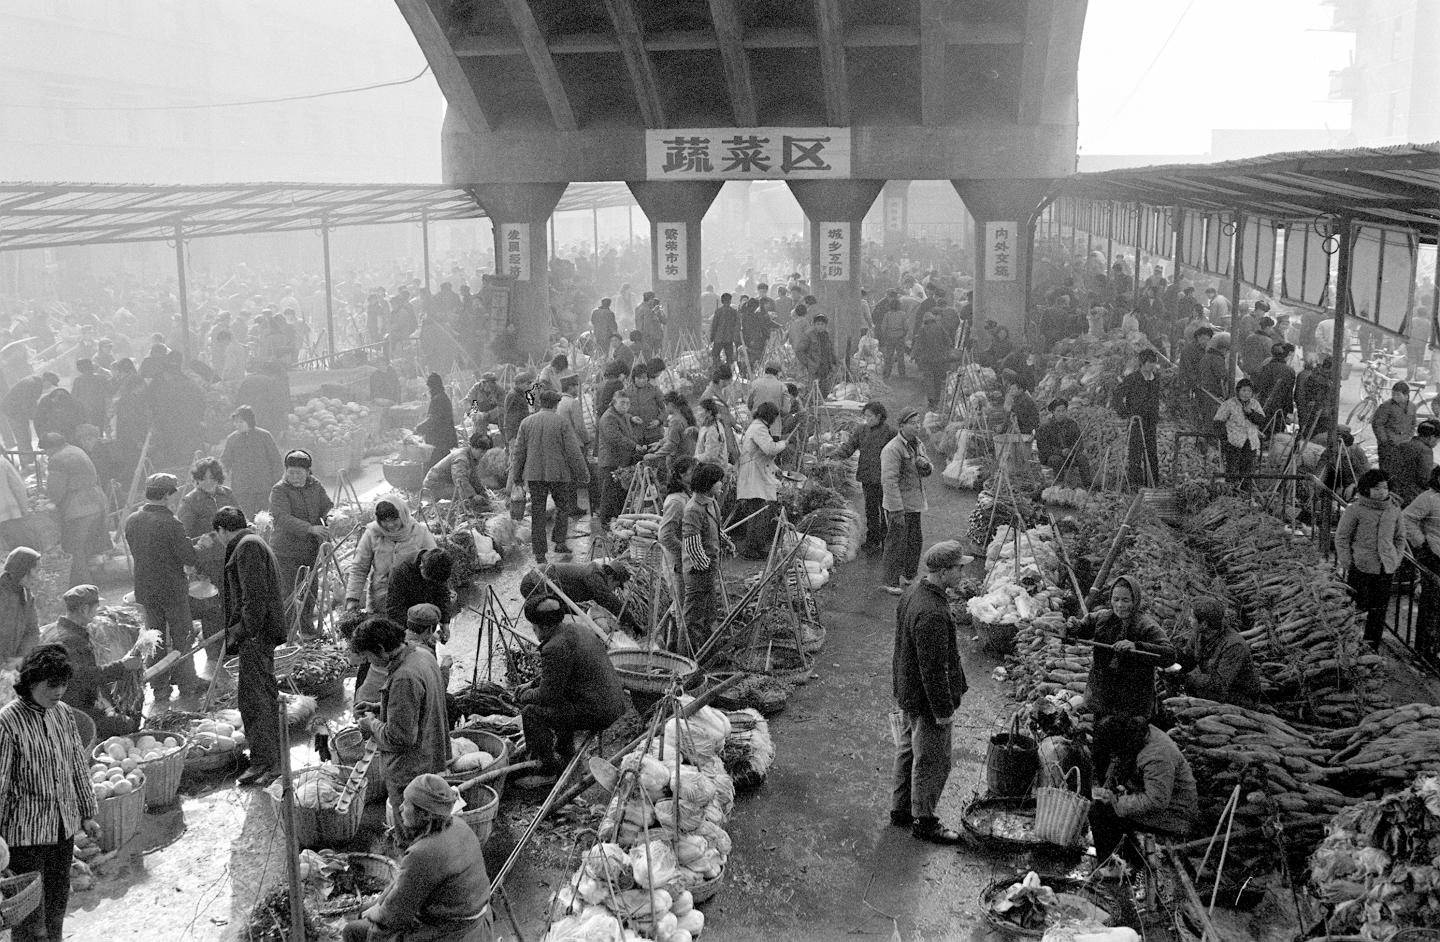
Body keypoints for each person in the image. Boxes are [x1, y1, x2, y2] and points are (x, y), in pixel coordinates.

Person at [0, 644, 102, 942]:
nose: (59, 691)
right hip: (25, 838)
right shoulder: (7, 723)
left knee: (57, 910)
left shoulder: (64, 713)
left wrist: (87, 813)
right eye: (52, 685)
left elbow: (77, 766)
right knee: (31, 921)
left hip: (63, 830)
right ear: (31, 682)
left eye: (63, 684)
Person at [340, 773, 492, 942]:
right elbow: (402, 885)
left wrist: (375, 912)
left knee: (352, 930)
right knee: (368, 909)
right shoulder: (459, 825)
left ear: (425, 814)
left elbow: (396, 914)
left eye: (407, 804)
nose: (400, 808)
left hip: (454, 933)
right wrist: (376, 906)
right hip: (474, 918)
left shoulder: (424, 852)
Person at [890, 540, 971, 844]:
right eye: (959, 567)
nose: (963, 572)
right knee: (933, 758)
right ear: (944, 571)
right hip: (926, 699)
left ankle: (900, 810)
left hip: (908, 691)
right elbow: (933, 670)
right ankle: (924, 820)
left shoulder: (914, 590)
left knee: (908, 750)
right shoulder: (933, 612)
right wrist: (944, 711)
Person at [1066, 576, 1175, 780]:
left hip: (1132, 705)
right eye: (1116, 599)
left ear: (1135, 601)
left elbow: (1169, 655)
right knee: (1100, 749)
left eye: (1126, 600)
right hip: (1104, 699)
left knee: (1126, 756)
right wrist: (1073, 626)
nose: (1120, 605)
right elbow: (1081, 628)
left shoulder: (1146, 626)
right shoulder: (1102, 619)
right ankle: (1101, 791)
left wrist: (1137, 646)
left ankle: (1120, 792)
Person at [514, 594, 628, 789]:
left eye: (533, 624)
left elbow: (547, 695)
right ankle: (564, 750)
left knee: (531, 713)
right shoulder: (576, 629)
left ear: (544, 626)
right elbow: (559, 675)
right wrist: (532, 684)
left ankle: (547, 771)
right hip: (613, 702)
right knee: (561, 699)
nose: (532, 629)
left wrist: (523, 695)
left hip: (599, 712)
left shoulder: (554, 647)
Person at [214, 506, 287, 786]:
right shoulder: (250, 543)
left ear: (222, 530)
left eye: (218, 534)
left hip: (256, 637)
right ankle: (271, 760)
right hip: (257, 635)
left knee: (255, 700)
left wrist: (241, 631)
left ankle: (264, 762)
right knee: (261, 697)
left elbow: (253, 599)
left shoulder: (247, 548)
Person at [351, 617, 449, 821]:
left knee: (410, 827)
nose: (370, 662)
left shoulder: (403, 677)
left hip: (410, 769)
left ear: (380, 648)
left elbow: (399, 737)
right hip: (431, 754)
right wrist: (380, 707)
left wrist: (370, 723)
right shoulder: (422, 653)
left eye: (369, 656)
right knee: (430, 824)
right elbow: (418, 705)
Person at [125, 473, 202, 701]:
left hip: (146, 589)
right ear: (167, 495)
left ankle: (159, 686)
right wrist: (199, 547)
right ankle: (187, 684)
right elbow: (188, 557)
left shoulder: (132, 520)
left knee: (154, 639)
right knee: (182, 637)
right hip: (172, 589)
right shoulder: (171, 523)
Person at [1088, 714, 1198, 872]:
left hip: (1176, 815)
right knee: (1104, 807)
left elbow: (1156, 801)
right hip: (1166, 806)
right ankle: (1131, 858)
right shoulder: (1140, 735)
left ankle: (1118, 866)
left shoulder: (1158, 755)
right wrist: (1111, 784)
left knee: (1100, 812)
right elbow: (1121, 761)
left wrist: (1117, 802)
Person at [39, 584, 145, 738]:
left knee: (118, 710)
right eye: (95, 609)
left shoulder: (55, 631)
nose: (95, 614)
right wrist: (122, 666)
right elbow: (84, 677)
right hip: (72, 713)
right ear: (84, 610)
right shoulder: (70, 641)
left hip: (63, 705)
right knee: (129, 724)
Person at [511, 388, 589, 564]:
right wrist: (583, 473)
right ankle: (560, 542)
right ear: (556, 404)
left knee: (537, 512)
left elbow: (519, 452)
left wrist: (516, 476)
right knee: (563, 507)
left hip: (534, 474)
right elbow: (573, 451)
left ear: (540, 403)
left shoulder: (526, 422)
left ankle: (540, 554)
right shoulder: (561, 422)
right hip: (558, 474)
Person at [1336, 468, 1407, 649]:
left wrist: (1396, 558)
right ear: (1366, 489)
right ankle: (1349, 644)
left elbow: (1400, 538)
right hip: (1361, 566)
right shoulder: (1356, 509)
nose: (1381, 492)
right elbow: (1342, 537)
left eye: (1384, 488)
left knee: (1379, 611)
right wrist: (1347, 561)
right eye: (1376, 488)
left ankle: (1371, 647)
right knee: (1356, 608)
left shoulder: (1394, 509)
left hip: (1386, 568)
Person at [269, 450, 334, 637]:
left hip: (310, 549)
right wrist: (310, 528)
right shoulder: (279, 490)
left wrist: (330, 516)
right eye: (291, 472)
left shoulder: (315, 486)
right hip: (286, 550)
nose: (294, 477)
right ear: (285, 471)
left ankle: (306, 628)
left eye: (299, 473)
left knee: (310, 588)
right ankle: (287, 632)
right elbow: (281, 517)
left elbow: (326, 506)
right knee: (289, 591)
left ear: (308, 472)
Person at [41, 432, 108, 588]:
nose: (46, 454)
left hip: (79, 509)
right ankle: (94, 581)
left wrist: (49, 501)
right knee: (88, 546)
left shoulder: (57, 460)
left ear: (51, 448)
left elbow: (56, 490)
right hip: (97, 501)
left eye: (46, 451)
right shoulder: (76, 450)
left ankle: (85, 587)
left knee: (73, 548)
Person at [346, 499, 437, 615]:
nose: (390, 525)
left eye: (394, 520)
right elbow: (359, 567)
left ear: (403, 515)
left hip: (413, 600)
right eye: (384, 521)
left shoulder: (419, 532)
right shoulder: (372, 534)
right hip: (380, 600)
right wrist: (352, 599)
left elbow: (434, 564)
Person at [880, 408, 932, 595]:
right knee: (896, 542)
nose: (917, 426)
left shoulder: (917, 444)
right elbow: (889, 481)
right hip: (899, 505)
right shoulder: (893, 449)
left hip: (914, 503)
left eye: (919, 423)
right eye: (913, 423)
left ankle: (909, 576)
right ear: (902, 426)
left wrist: (925, 465)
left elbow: (927, 468)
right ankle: (890, 580)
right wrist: (896, 510)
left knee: (914, 541)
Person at [832, 401, 893, 555]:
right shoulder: (861, 430)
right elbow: (849, 446)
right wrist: (835, 456)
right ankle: (872, 539)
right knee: (871, 510)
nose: (867, 419)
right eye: (865, 416)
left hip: (884, 478)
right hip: (867, 477)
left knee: (886, 510)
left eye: (869, 416)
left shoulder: (890, 432)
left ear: (879, 416)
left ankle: (888, 541)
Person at [1179, 597, 1261, 709]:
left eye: (1192, 617)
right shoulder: (1199, 634)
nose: (1189, 619)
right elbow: (1188, 659)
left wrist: (1187, 676)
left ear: (1204, 624)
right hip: (1212, 688)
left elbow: (1218, 684)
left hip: (1237, 696)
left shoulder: (1234, 645)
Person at [681, 462, 728, 651]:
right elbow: (692, 544)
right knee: (693, 618)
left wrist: (725, 541)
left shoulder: (711, 503)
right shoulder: (693, 509)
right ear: (708, 484)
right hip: (698, 571)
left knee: (710, 612)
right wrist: (705, 566)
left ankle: (708, 650)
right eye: (718, 482)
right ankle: (687, 655)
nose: (721, 485)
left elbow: (715, 529)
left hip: (709, 568)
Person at [735, 401, 788, 560]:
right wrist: (783, 444)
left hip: (756, 472)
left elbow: (763, 455)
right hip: (753, 475)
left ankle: (756, 546)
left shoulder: (759, 426)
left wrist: (775, 468)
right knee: (756, 513)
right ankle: (751, 549)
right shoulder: (758, 428)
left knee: (759, 512)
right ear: (769, 416)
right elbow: (770, 449)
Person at [221, 405, 284, 520]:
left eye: (241, 422)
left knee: (265, 519)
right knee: (244, 519)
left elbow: (276, 461)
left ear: (249, 421)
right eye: (236, 422)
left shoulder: (264, 436)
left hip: (264, 488)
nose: (237, 425)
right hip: (242, 489)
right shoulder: (232, 439)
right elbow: (225, 461)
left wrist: (276, 483)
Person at [1112, 349, 1164, 487]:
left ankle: (1152, 482)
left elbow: (1156, 399)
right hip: (1136, 420)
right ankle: (1134, 483)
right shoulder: (1132, 378)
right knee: (1135, 451)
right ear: (1142, 363)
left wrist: (1156, 413)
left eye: (1154, 363)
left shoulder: (1155, 379)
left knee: (1151, 451)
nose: (1152, 366)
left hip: (1150, 420)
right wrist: (1125, 413)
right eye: (1149, 363)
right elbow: (1117, 396)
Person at [1404, 466, 1440, 661]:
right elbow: (1406, 519)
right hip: (1435, 557)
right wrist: (1423, 544)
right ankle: (1425, 653)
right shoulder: (1429, 498)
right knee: (1432, 606)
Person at [518, 559, 631, 619]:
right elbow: (610, 601)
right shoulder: (594, 575)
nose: (613, 590)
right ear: (611, 578)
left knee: (571, 615)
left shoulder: (596, 574)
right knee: (551, 618)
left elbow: (603, 600)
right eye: (615, 585)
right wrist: (632, 624)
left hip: (544, 585)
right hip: (534, 584)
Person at [597, 389, 643, 529]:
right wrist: (634, 446)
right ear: (614, 402)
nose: (625, 406)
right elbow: (615, 438)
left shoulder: (621, 414)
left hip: (621, 460)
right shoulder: (608, 417)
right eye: (622, 403)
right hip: (611, 461)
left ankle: (618, 519)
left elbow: (625, 416)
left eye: (628, 403)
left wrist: (631, 417)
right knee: (610, 492)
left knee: (620, 492)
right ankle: (605, 521)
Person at [383, 548, 455, 638]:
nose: (433, 583)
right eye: (429, 580)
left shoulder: (439, 566)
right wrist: (416, 632)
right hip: (405, 627)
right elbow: (394, 609)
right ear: (421, 567)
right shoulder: (401, 572)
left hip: (427, 625)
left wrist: (445, 623)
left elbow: (443, 596)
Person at [657, 458, 693, 613]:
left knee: (685, 603)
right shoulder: (676, 501)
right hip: (676, 562)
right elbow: (665, 536)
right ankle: (675, 636)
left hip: (683, 561)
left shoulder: (687, 494)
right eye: (693, 471)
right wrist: (687, 551)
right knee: (680, 606)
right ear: (682, 475)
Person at [1214, 379, 1265, 487]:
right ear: (1238, 391)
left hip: (1250, 442)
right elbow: (1218, 421)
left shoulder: (1255, 404)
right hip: (1234, 441)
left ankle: (1245, 494)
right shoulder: (1229, 404)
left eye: (1249, 391)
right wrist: (1225, 440)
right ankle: (1231, 493)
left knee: (1247, 470)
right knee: (1232, 469)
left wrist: (1251, 413)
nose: (1246, 394)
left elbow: (1261, 420)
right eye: (1244, 390)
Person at [423, 431, 493, 504]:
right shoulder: (461, 458)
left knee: (473, 495)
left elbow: (473, 477)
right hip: (434, 485)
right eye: (481, 451)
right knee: (465, 498)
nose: (483, 455)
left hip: (446, 483)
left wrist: (481, 491)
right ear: (473, 447)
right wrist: (473, 496)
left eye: (485, 452)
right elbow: (459, 479)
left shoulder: (472, 457)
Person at [0, 547, 41, 665]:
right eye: (36, 571)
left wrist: (21, 658)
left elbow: (32, 631)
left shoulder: (27, 596)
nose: (37, 577)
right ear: (23, 570)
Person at [1036, 398, 1091, 484]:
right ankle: (1059, 484)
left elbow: (1079, 442)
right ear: (1053, 412)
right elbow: (1043, 448)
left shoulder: (1072, 424)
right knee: (1056, 460)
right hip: (1051, 456)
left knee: (1082, 459)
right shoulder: (1045, 427)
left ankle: (1088, 485)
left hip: (1069, 455)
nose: (1061, 413)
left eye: (1063, 410)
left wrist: (1071, 450)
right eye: (1058, 411)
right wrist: (1060, 452)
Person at [1390, 419, 1440, 507]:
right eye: (1438, 439)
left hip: (1394, 491)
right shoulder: (1425, 450)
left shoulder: (1403, 444)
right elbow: (1425, 479)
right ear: (1431, 437)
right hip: (1412, 496)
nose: (1437, 443)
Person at [416, 373, 459, 474]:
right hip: (444, 438)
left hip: (439, 439)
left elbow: (433, 420)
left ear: (432, 386)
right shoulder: (442, 397)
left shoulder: (438, 399)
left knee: (433, 467)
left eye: (429, 387)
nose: (429, 390)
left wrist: (419, 428)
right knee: (443, 464)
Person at [1251, 343, 1297, 432]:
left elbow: (1258, 386)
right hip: (1280, 408)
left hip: (1264, 404)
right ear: (1285, 355)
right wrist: (1289, 410)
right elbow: (1289, 393)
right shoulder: (1290, 371)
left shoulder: (1267, 367)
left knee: (1262, 430)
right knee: (1275, 433)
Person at [1373, 381, 1417, 472]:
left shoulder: (1412, 406)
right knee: (1386, 471)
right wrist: (1384, 440)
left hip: (1404, 443)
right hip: (1388, 444)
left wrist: (1409, 436)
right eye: (1393, 394)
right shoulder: (1386, 406)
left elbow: (1413, 424)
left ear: (1406, 395)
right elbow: (1377, 424)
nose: (1394, 397)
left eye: (1398, 395)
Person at [0, 455, 34, 554]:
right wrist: (24, 508)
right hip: (9, 513)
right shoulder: (2, 462)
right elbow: (18, 487)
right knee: (20, 547)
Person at [71, 358, 111, 432]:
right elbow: (109, 392)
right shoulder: (101, 378)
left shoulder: (78, 380)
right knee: (99, 431)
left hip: (84, 410)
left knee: (88, 432)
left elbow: (74, 397)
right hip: (99, 409)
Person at [694, 398, 732, 470]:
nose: (698, 413)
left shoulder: (712, 429)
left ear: (709, 412)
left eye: (700, 410)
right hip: (710, 467)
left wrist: (695, 459)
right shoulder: (707, 426)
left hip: (713, 470)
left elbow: (711, 455)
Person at [710, 292, 740, 370]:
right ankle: (728, 372)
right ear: (730, 301)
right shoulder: (734, 312)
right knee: (729, 357)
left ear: (722, 301)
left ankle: (717, 370)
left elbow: (714, 325)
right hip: (728, 338)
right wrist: (735, 338)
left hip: (718, 338)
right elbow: (737, 326)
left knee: (715, 356)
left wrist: (712, 337)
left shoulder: (718, 311)